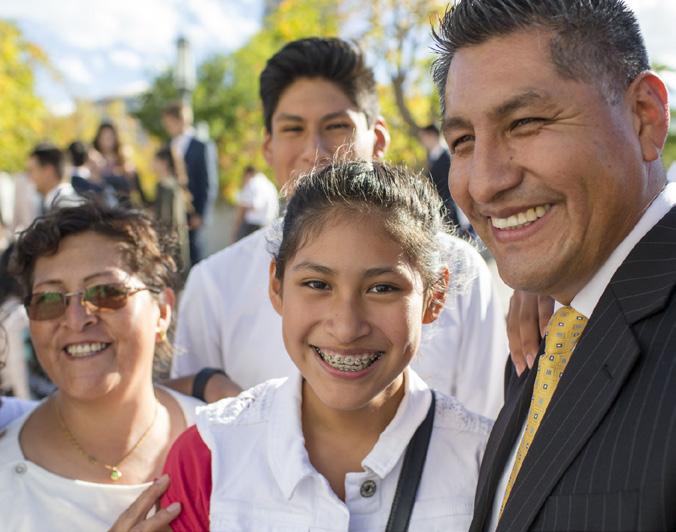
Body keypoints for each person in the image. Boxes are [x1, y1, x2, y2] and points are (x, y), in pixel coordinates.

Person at [171, 37, 508, 419]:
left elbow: (487, 425)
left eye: (336, 126)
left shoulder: (458, 268)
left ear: (378, 138)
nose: (314, 150)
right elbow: (194, 435)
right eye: (292, 129)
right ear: (268, 147)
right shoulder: (214, 284)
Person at [433, 0, 676, 530]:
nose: (484, 182)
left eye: (525, 122)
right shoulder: (548, 329)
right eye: (464, 141)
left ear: (644, 117)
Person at [161, 160, 492, 531]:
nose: (347, 327)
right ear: (276, 286)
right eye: (318, 284)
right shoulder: (210, 456)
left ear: (435, 296)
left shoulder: (488, 464)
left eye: (382, 288)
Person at [0, 202, 202, 530]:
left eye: (106, 293)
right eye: (49, 300)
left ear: (162, 311)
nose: (77, 319)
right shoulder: (6, 483)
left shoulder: (228, 440)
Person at [161, 102, 214, 266]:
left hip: (193, 213)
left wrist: (201, 214)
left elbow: (208, 182)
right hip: (173, 210)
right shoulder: (169, 146)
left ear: (181, 120)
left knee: (195, 254)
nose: (167, 127)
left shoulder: (202, 145)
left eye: (169, 123)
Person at [153, 146, 191, 275]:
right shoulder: (172, 185)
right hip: (174, 240)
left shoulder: (168, 187)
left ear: (164, 163)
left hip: (169, 243)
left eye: (155, 161)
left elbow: (168, 218)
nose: (152, 164)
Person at [418, 123, 462, 230]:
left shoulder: (446, 157)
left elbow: (448, 187)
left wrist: (446, 212)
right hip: (440, 209)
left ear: (432, 136)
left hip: (449, 211)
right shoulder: (433, 157)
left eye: (424, 138)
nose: (423, 142)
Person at [91, 121, 138, 205]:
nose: (107, 140)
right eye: (104, 136)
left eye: (110, 136)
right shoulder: (93, 159)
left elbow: (133, 186)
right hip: (102, 206)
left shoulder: (123, 158)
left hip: (123, 206)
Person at [26, 143, 82, 212]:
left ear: (48, 171)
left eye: (32, 171)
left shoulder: (66, 206)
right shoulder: (58, 202)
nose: (29, 177)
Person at [232, 165, 279, 242]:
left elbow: (251, 206)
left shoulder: (252, 182)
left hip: (251, 227)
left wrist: (235, 230)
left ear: (247, 174)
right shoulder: (270, 185)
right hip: (267, 226)